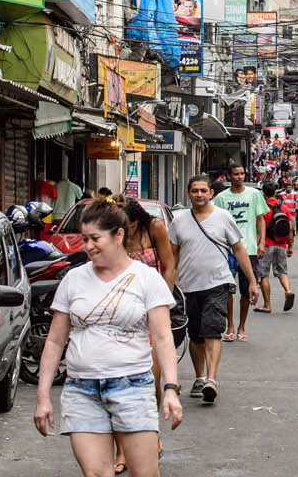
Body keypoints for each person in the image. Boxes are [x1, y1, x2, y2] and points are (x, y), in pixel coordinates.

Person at [34, 198, 182, 477]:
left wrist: (171, 389)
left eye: (95, 239)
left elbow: (163, 338)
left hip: (133, 387)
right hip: (81, 389)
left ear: (119, 235)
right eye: (84, 238)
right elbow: (54, 341)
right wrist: (43, 396)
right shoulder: (73, 279)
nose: (88, 246)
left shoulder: (146, 279)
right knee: (97, 474)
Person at [168, 175, 258, 404]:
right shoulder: (178, 221)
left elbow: (238, 249)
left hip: (217, 283)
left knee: (212, 330)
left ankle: (211, 379)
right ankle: (199, 377)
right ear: (188, 194)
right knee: (195, 334)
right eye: (195, 191)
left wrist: (252, 280)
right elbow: (173, 256)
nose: (199, 195)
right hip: (188, 287)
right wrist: (167, 287)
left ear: (211, 194)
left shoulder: (222, 217)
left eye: (203, 191)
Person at [115, 197, 179, 473]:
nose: (124, 231)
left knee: (150, 380)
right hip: (122, 312)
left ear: (137, 220)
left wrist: (159, 303)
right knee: (117, 383)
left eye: (128, 225)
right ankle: (121, 450)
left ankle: (151, 436)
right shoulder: (114, 235)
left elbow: (169, 266)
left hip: (151, 310)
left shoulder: (155, 228)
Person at [212, 164, 268, 343]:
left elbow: (260, 219)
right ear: (229, 176)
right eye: (236, 174)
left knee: (246, 291)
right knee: (228, 290)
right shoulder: (221, 198)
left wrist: (261, 242)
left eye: (242, 173)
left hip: (249, 249)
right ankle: (230, 325)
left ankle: (242, 326)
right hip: (226, 250)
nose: (239, 177)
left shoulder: (254, 194)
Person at [257, 182, 296, 313]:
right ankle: (288, 290)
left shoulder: (262, 208)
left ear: (263, 194)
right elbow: (290, 228)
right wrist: (290, 246)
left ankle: (267, 305)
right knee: (282, 272)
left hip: (266, 245)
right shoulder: (283, 208)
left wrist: (258, 245)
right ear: (275, 192)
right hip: (281, 245)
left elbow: (258, 229)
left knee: (263, 275)